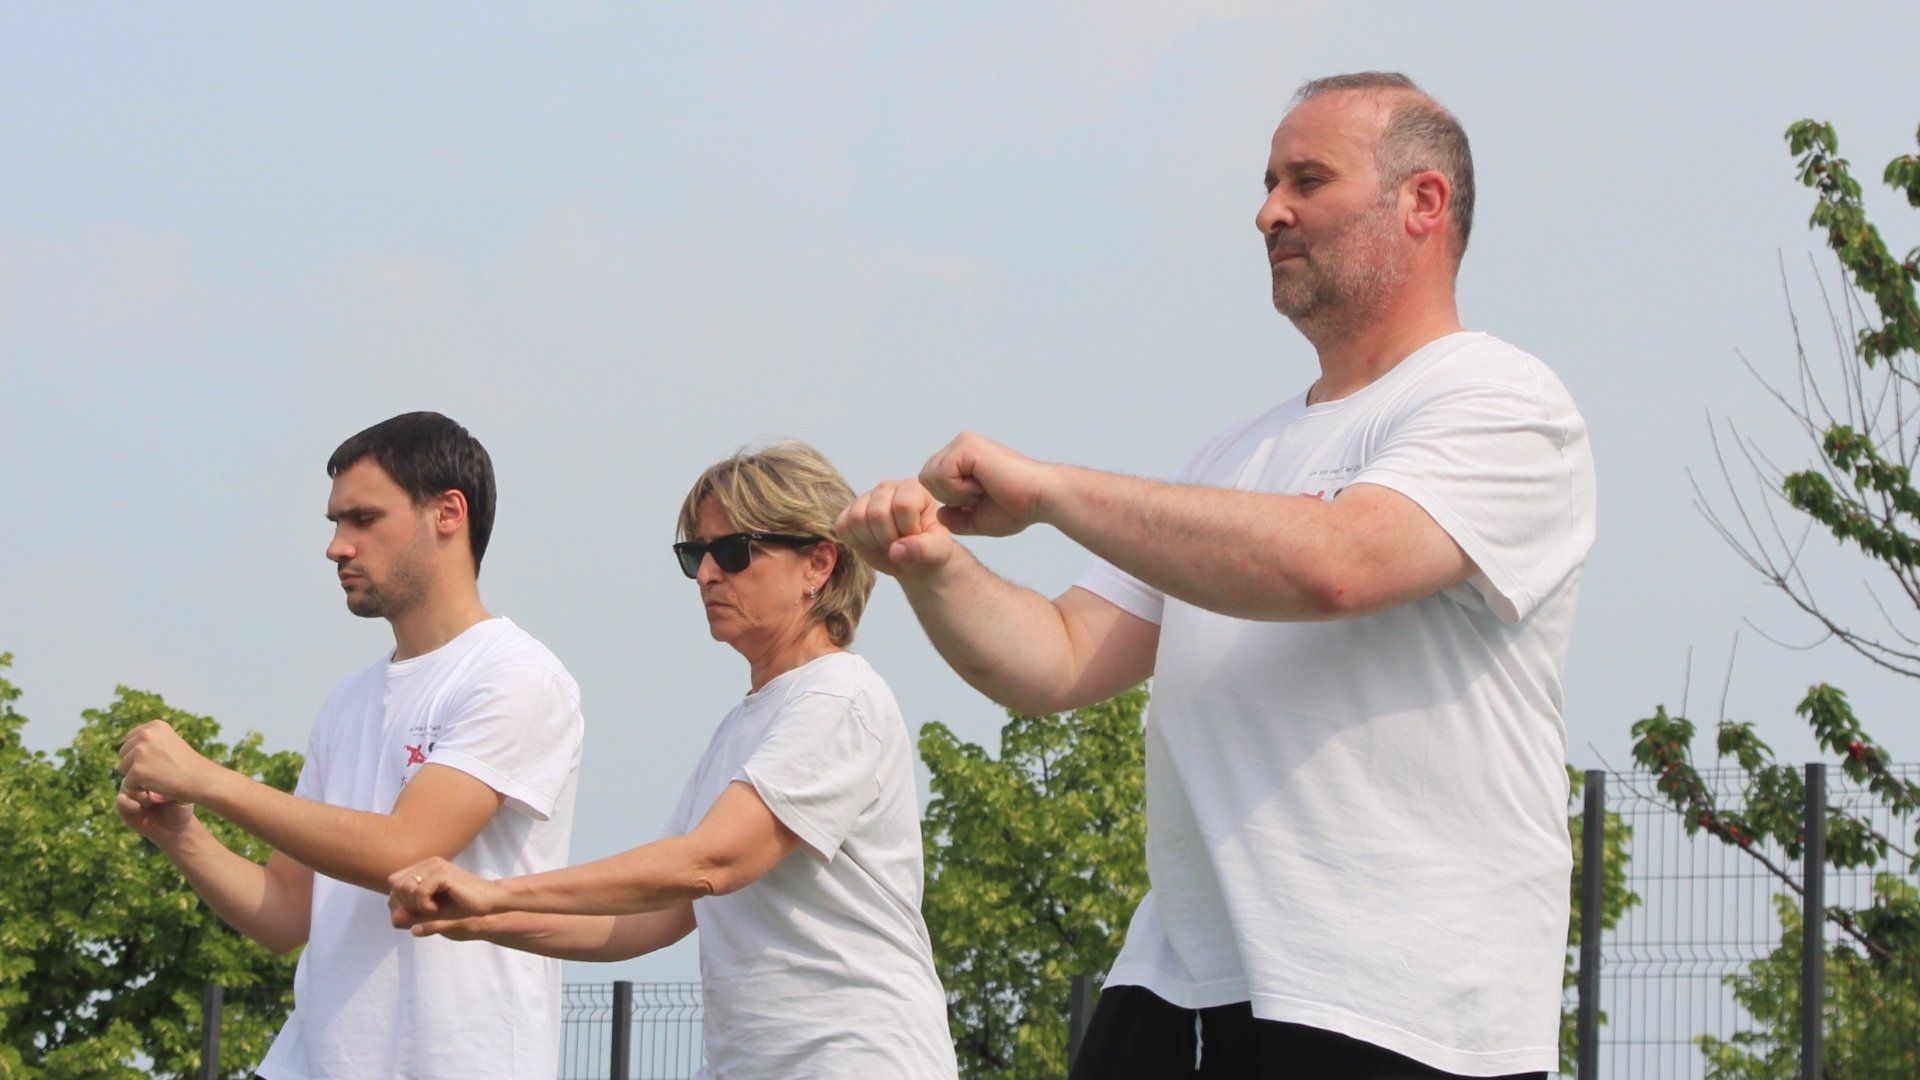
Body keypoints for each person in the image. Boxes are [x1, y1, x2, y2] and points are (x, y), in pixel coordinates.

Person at [835, 72, 1594, 1079]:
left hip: (1399, 1005)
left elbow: (1341, 562)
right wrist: (932, 567)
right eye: (1269, 181)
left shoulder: (1503, 402)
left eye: (1306, 180)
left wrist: (1053, 490)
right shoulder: (1233, 459)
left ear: (1423, 203)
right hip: (1178, 989)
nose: (1268, 210)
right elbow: (1055, 661)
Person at [386, 441, 959, 1080]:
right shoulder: (742, 727)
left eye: (735, 551)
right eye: (696, 554)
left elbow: (710, 862)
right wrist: (484, 917)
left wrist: (493, 892)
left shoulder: (838, 697)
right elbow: (654, 917)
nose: (710, 574)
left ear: (819, 563)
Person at [116, 411, 586, 1080]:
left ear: (448, 513)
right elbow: (285, 915)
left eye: (362, 520)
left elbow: (404, 850)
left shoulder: (516, 675)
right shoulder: (346, 703)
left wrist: (209, 780)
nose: (337, 547)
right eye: (336, 524)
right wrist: (181, 834)